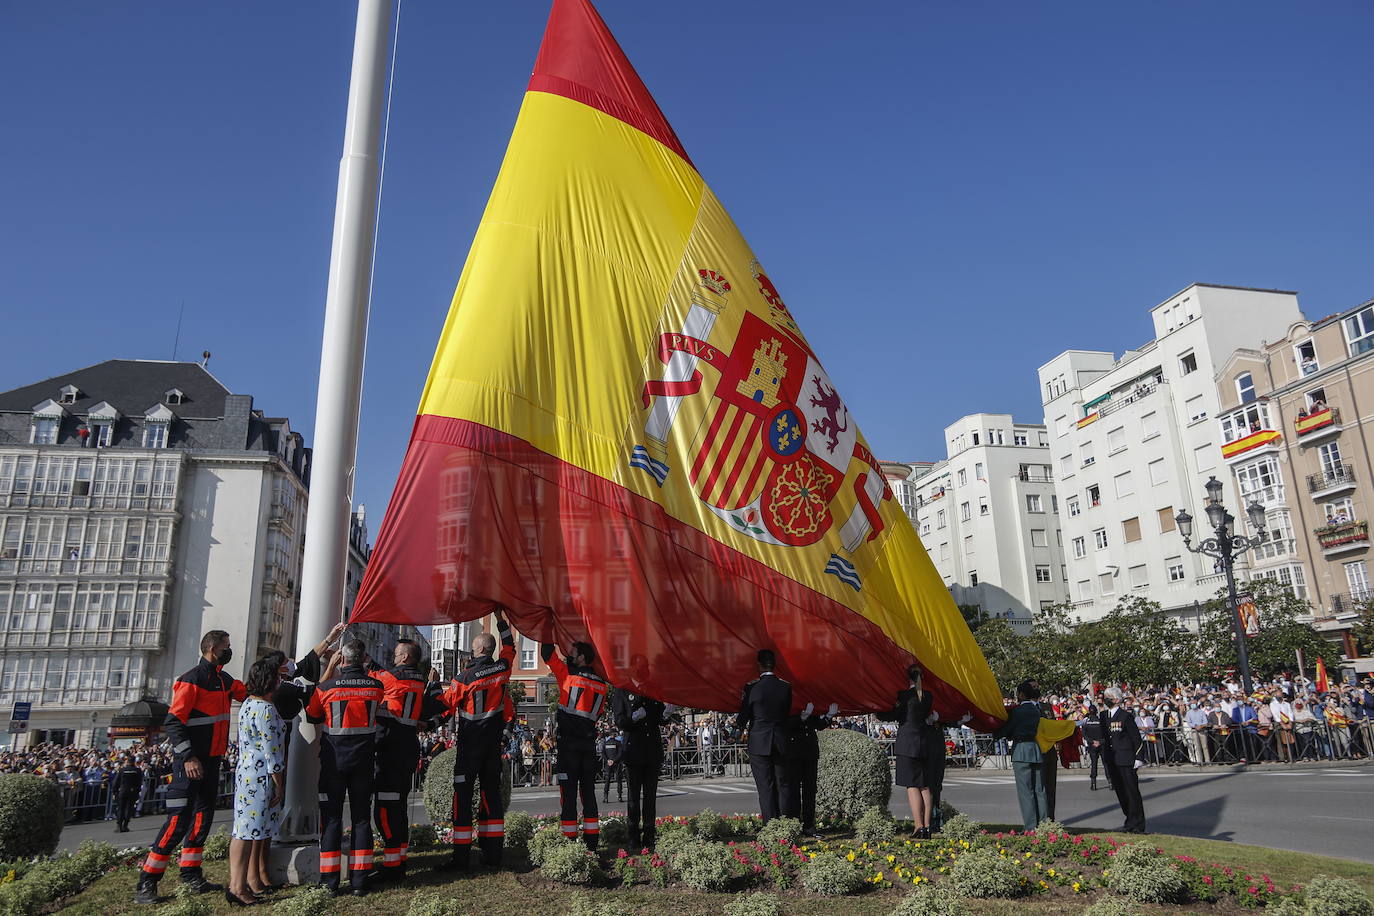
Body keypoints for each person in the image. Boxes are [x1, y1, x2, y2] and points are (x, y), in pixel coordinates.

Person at [135, 630, 246, 905]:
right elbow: (173, 722)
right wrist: (188, 757)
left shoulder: (223, 680)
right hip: (190, 762)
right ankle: (147, 882)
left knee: (202, 818)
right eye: (226, 647)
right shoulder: (192, 679)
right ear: (211, 648)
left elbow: (248, 691)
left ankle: (191, 874)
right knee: (178, 820)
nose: (229, 651)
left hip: (211, 760)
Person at [306, 640, 384, 897]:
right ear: (363, 660)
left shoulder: (326, 688)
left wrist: (330, 666)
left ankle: (329, 881)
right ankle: (359, 880)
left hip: (333, 762)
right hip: (363, 762)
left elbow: (312, 715)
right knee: (362, 819)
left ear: (343, 660)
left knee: (331, 819)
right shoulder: (376, 687)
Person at [438, 612, 515, 870]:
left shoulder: (464, 678)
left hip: (469, 747)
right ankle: (493, 854)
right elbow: (510, 646)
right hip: (492, 746)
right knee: (491, 797)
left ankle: (460, 858)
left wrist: (431, 689)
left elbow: (444, 705)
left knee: (462, 799)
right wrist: (500, 619)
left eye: (473, 644)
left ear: (480, 648)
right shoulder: (503, 667)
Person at [368, 638, 444, 882]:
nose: (393, 656)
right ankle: (399, 858)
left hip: (390, 751)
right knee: (398, 807)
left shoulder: (393, 678)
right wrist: (434, 685)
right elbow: (440, 708)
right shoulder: (421, 681)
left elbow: (373, 672)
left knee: (385, 810)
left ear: (406, 657)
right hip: (408, 750)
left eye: (397, 653)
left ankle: (393, 867)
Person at [228, 657, 288, 906]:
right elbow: (271, 750)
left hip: (247, 773)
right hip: (261, 777)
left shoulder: (247, 705)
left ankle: (244, 882)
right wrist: (280, 783)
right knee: (246, 832)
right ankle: (238, 887)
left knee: (246, 830)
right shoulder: (266, 710)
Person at [543, 640, 610, 849]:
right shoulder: (602, 685)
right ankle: (592, 844)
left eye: (572, 653)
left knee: (568, 795)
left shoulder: (568, 676)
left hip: (568, 746)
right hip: (588, 747)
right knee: (588, 795)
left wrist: (548, 628)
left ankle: (569, 843)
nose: (568, 655)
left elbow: (547, 653)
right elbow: (597, 713)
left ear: (581, 658)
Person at [878, 664, 938, 837]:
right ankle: (927, 826)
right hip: (922, 742)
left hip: (907, 743)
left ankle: (918, 826)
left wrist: (877, 711)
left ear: (908, 678)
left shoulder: (904, 696)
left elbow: (894, 715)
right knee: (925, 786)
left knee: (912, 786)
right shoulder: (928, 696)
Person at [735, 649, 793, 823]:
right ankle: (786, 823)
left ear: (758, 665)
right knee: (782, 785)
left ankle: (771, 825)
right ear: (774, 665)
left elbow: (742, 719)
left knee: (765, 787)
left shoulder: (752, 688)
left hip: (759, 741)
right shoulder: (785, 687)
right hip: (780, 740)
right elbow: (786, 713)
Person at [612, 681, 669, 851]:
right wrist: (633, 718)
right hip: (633, 751)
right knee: (633, 798)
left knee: (650, 798)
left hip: (652, 751)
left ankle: (649, 836)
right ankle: (633, 836)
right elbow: (619, 720)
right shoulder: (622, 690)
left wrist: (667, 713)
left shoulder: (653, 689)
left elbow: (660, 718)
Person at [993, 681, 1047, 832]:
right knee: (1039, 790)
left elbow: (1008, 729)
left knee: (1025, 792)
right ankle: (1044, 824)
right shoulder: (1035, 710)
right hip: (1034, 748)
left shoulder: (1018, 711)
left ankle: (1030, 827)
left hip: (1021, 750)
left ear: (1021, 694)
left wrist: (996, 733)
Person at [786, 700, 837, 839]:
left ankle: (809, 825)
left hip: (810, 753)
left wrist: (828, 716)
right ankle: (794, 825)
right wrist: (801, 718)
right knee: (794, 792)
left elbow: (817, 725)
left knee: (810, 791)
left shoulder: (808, 701)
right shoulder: (789, 703)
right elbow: (784, 724)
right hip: (794, 753)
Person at [1099, 686, 1147, 834]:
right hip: (1112, 759)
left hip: (1126, 759)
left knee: (1131, 792)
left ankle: (1138, 823)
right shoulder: (1103, 716)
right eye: (1105, 696)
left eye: (1109, 697)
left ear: (1117, 699)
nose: (1106, 699)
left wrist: (1139, 757)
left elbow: (1136, 739)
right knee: (1121, 792)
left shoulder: (1126, 716)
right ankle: (1129, 820)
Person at [1080, 700, 1110, 790]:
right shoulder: (1101, 722)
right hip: (1102, 744)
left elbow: (1084, 734)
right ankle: (1110, 782)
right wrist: (1100, 742)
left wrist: (1092, 741)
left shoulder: (1086, 723)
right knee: (1106, 764)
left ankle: (1093, 784)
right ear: (1096, 712)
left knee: (1094, 764)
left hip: (1092, 745)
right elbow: (1107, 734)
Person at [113, 754, 143, 833]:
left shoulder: (122, 770)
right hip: (132, 791)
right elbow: (139, 782)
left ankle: (119, 826)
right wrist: (137, 791)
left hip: (123, 791)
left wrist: (114, 791)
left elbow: (116, 782)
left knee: (121, 809)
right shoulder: (137, 771)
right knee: (129, 809)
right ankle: (125, 825)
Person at [600, 726, 625, 803]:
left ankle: (605, 797)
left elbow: (603, 753)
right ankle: (620, 796)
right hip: (616, 763)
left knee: (607, 780)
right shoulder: (618, 743)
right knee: (619, 780)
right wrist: (614, 760)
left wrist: (608, 760)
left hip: (608, 763)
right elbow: (620, 754)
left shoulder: (606, 743)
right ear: (614, 734)